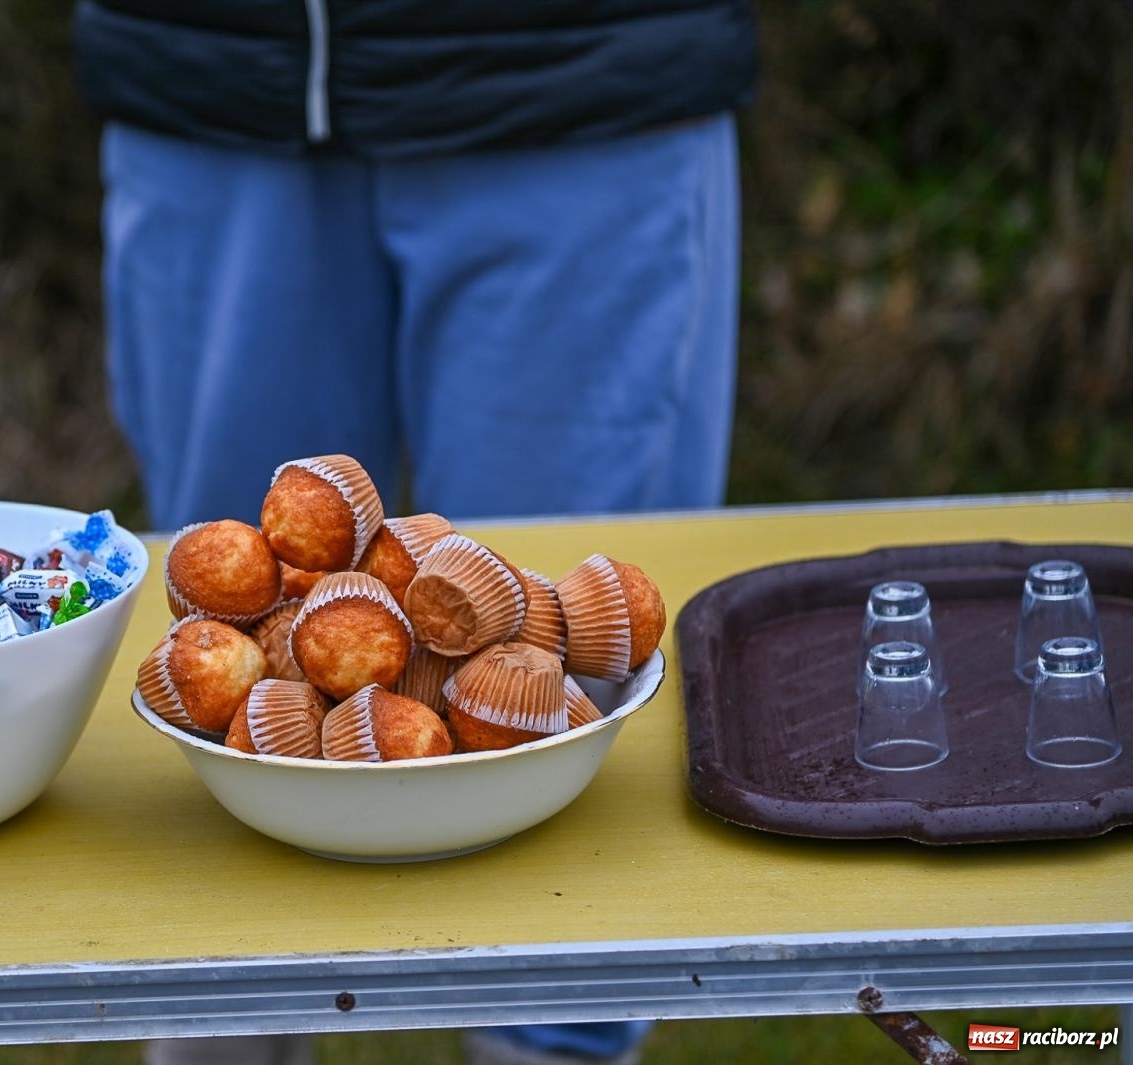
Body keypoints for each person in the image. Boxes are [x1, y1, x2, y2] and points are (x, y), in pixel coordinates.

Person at [73, 2, 755, 1061]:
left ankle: (551, 1041)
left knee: (571, 689)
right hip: (216, 73)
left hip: (577, 82)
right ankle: (219, 1025)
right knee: (229, 668)